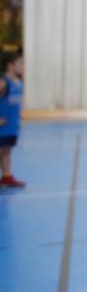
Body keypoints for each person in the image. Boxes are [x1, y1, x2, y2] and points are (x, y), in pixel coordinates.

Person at [0, 50, 24, 188]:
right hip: (2, 126)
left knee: (7, 150)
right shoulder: (4, 82)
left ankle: (6, 177)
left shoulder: (19, 82)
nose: (23, 67)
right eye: (20, 64)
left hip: (12, 126)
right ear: (10, 65)